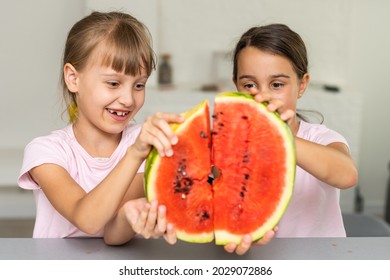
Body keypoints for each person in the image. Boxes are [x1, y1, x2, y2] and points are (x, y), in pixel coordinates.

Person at [17, 11, 179, 244]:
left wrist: (128, 215)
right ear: (73, 79)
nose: (128, 99)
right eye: (113, 83)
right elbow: (88, 220)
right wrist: (136, 153)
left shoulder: (147, 143)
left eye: (139, 85)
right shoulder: (45, 152)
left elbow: (113, 234)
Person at [223, 23, 358, 254]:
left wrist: (282, 138)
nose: (262, 96)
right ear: (236, 86)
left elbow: (347, 175)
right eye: (249, 85)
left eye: (277, 84)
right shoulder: (227, 146)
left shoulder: (320, 138)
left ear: (301, 85)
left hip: (320, 260)